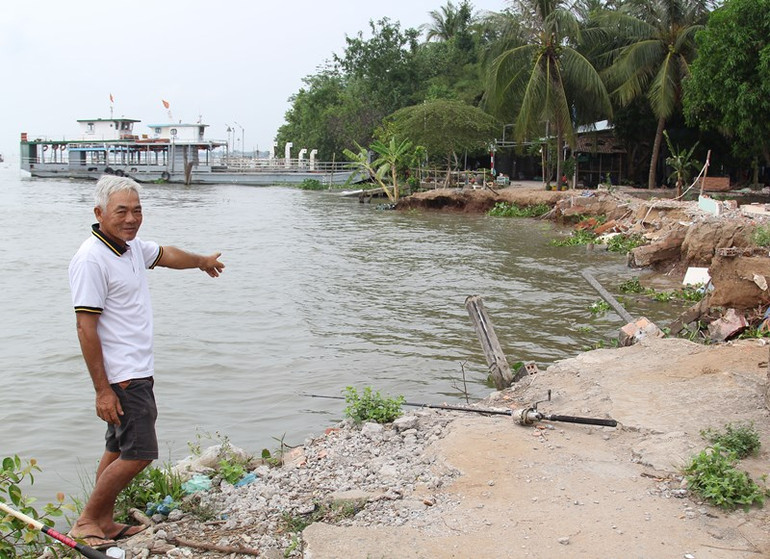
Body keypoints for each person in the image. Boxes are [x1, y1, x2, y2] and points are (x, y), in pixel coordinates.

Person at [68, 175, 224, 547]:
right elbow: (85, 328)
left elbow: (167, 254)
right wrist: (102, 390)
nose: (132, 218)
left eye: (137, 210)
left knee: (117, 448)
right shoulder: (92, 259)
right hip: (123, 376)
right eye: (121, 211)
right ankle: (88, 521)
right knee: (139, 454)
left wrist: (201, 261)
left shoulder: (130, 248)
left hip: (136, 369)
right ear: (99, 213)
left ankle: (102, 521)